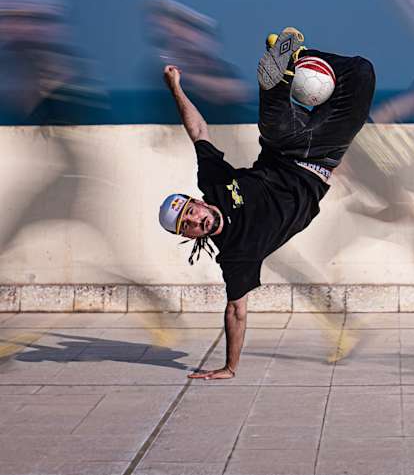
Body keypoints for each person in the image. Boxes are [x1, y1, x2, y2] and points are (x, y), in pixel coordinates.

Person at [159, 28, 375, 380]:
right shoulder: (236, 254)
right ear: (190, 235)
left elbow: (198, 131)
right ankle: (291, 65)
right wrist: (230, 366)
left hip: (284, 145)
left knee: (274, 121)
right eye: (188, 225)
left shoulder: (214, 183)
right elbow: (236, 311)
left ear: (196, 201)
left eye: (190, 211)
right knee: (362, 71)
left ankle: (291, 63)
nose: (196, 220)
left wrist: (176, 89)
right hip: (323, 156)